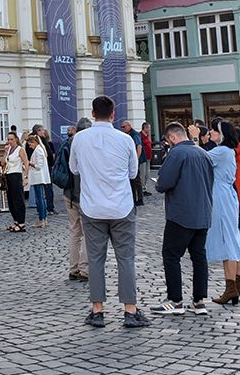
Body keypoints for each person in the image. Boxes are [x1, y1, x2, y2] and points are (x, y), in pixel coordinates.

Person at [69, 96, 149, 329]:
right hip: (121, 206)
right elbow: (133, 173)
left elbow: (74, 169)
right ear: (113, 115)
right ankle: (130, 310)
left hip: (92, 206)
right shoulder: (124, 139)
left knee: (95, 259)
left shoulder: (79, 139)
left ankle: (97, 310)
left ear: (93, 114)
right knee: (126, 258)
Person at [153, 122, 214, 316]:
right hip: (203, 212)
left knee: (171, 256)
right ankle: (199, 301)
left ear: (171, 137)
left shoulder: (177, 153)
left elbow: (163, 183)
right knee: (199, 257)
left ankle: (175, 301)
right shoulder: (203, 153)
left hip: (181, 213)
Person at [205, 119, 240, 306]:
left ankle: (230, 288)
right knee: (233, 237)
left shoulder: (220, 151)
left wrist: (198, 140)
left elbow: (201, 159)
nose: (211, 133)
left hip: (220, 195)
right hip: (228, 194)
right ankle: (238, 283)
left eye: (213, 131)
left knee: (226, 240)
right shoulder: (228, 150)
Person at [61, 117, 91, 282]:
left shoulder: (68, 143)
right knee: (87, 233)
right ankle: (85, 269)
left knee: (74, 232)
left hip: (69, 193)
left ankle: (73, 269)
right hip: (84, 194)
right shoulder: (88, 143)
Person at [1, 131, 29, 232]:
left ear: (16, 139)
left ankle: (22, 223)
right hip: (8, 175)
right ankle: (16, 221)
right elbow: (3, 162)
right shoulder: (9, 150)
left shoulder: (20, 150)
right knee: (11, 200)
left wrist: (26, 177)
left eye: (11, 139)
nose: (10, 141)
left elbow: (26, 162)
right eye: (8, 139)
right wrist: (5, 152)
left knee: (18, 200)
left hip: (16, 175)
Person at [31, 124, 57, 215]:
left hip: (40, 167)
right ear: (38, 131)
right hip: (42, 167)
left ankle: (42, 208)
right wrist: (52, 162)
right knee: (46, 189)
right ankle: (48, 208)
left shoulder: (38, 140)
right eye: (42, 130)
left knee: (40, 190)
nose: (44, 132)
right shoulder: (39, 141)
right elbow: (48, 154)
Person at [26, 134, 51, 228]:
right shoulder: (39, 149)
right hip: (39, 178)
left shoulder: (38, 150)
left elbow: (38, 166)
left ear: (34, 142)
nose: (29, 146)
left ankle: (42, 219)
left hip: (39, 178)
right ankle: (43, 219)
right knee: (41, 199)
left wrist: (30, 163)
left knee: (40, 199)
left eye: (30, 144)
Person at [121, 121, 145, 206]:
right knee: (133, 180)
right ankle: (134, 198)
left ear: (129, 126)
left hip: (134, 160)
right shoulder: (128, 134)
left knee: (136, 180)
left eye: (124, 127)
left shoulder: (134, 134)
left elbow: (139, 146)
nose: (122, 129)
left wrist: (136, 160)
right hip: (131, 160)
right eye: (122, 127)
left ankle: (139, 199)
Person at [139, 123, 154, 196]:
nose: (149, 130)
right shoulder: (140, 136)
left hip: (148, 157)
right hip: (143, 157)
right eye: (148, 128)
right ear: (145, 128)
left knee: (147, 174)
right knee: (143, 174)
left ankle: (144, 187)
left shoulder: (147, 136)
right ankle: (142, 189)